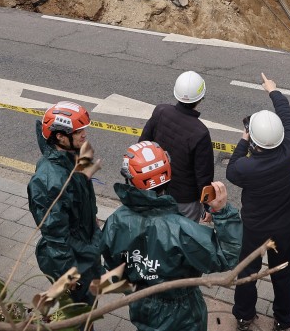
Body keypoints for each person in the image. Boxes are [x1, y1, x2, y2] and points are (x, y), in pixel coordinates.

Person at [102, 141, 242, 331]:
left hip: (141, 304)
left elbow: (113, 271)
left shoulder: (115, 222)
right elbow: (227, 256)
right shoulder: (181, 229)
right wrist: (223, 212)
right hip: (182, 314)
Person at [227, 73, 290, 331]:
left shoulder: (247, 168)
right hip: (283, 227)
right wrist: (273, 91)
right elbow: (289, 117)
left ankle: (245, 316)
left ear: (254, 141)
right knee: (282, 273)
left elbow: (231, 168)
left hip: (253, 229)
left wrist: (242, 139)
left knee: (247, 274)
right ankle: (283, 320)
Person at [28, 101, 104, 304]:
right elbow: (55, 237)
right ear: (60, 137)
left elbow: (84, 195)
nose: (84, 134)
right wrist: (70, 276)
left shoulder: (72, 156)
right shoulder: (48, 181)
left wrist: (92, 217)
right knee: (80, 309)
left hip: (87, 245)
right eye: (78, 132)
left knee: (91, 302)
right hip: (75, 258)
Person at [139, 71, 213, 221]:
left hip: (156, 190)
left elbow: (142, 146)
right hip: (185, 200)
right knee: (183, 239)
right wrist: (208, 207)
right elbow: (203, 176)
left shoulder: (160, 111)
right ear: (201, 97)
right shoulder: (201, 132)